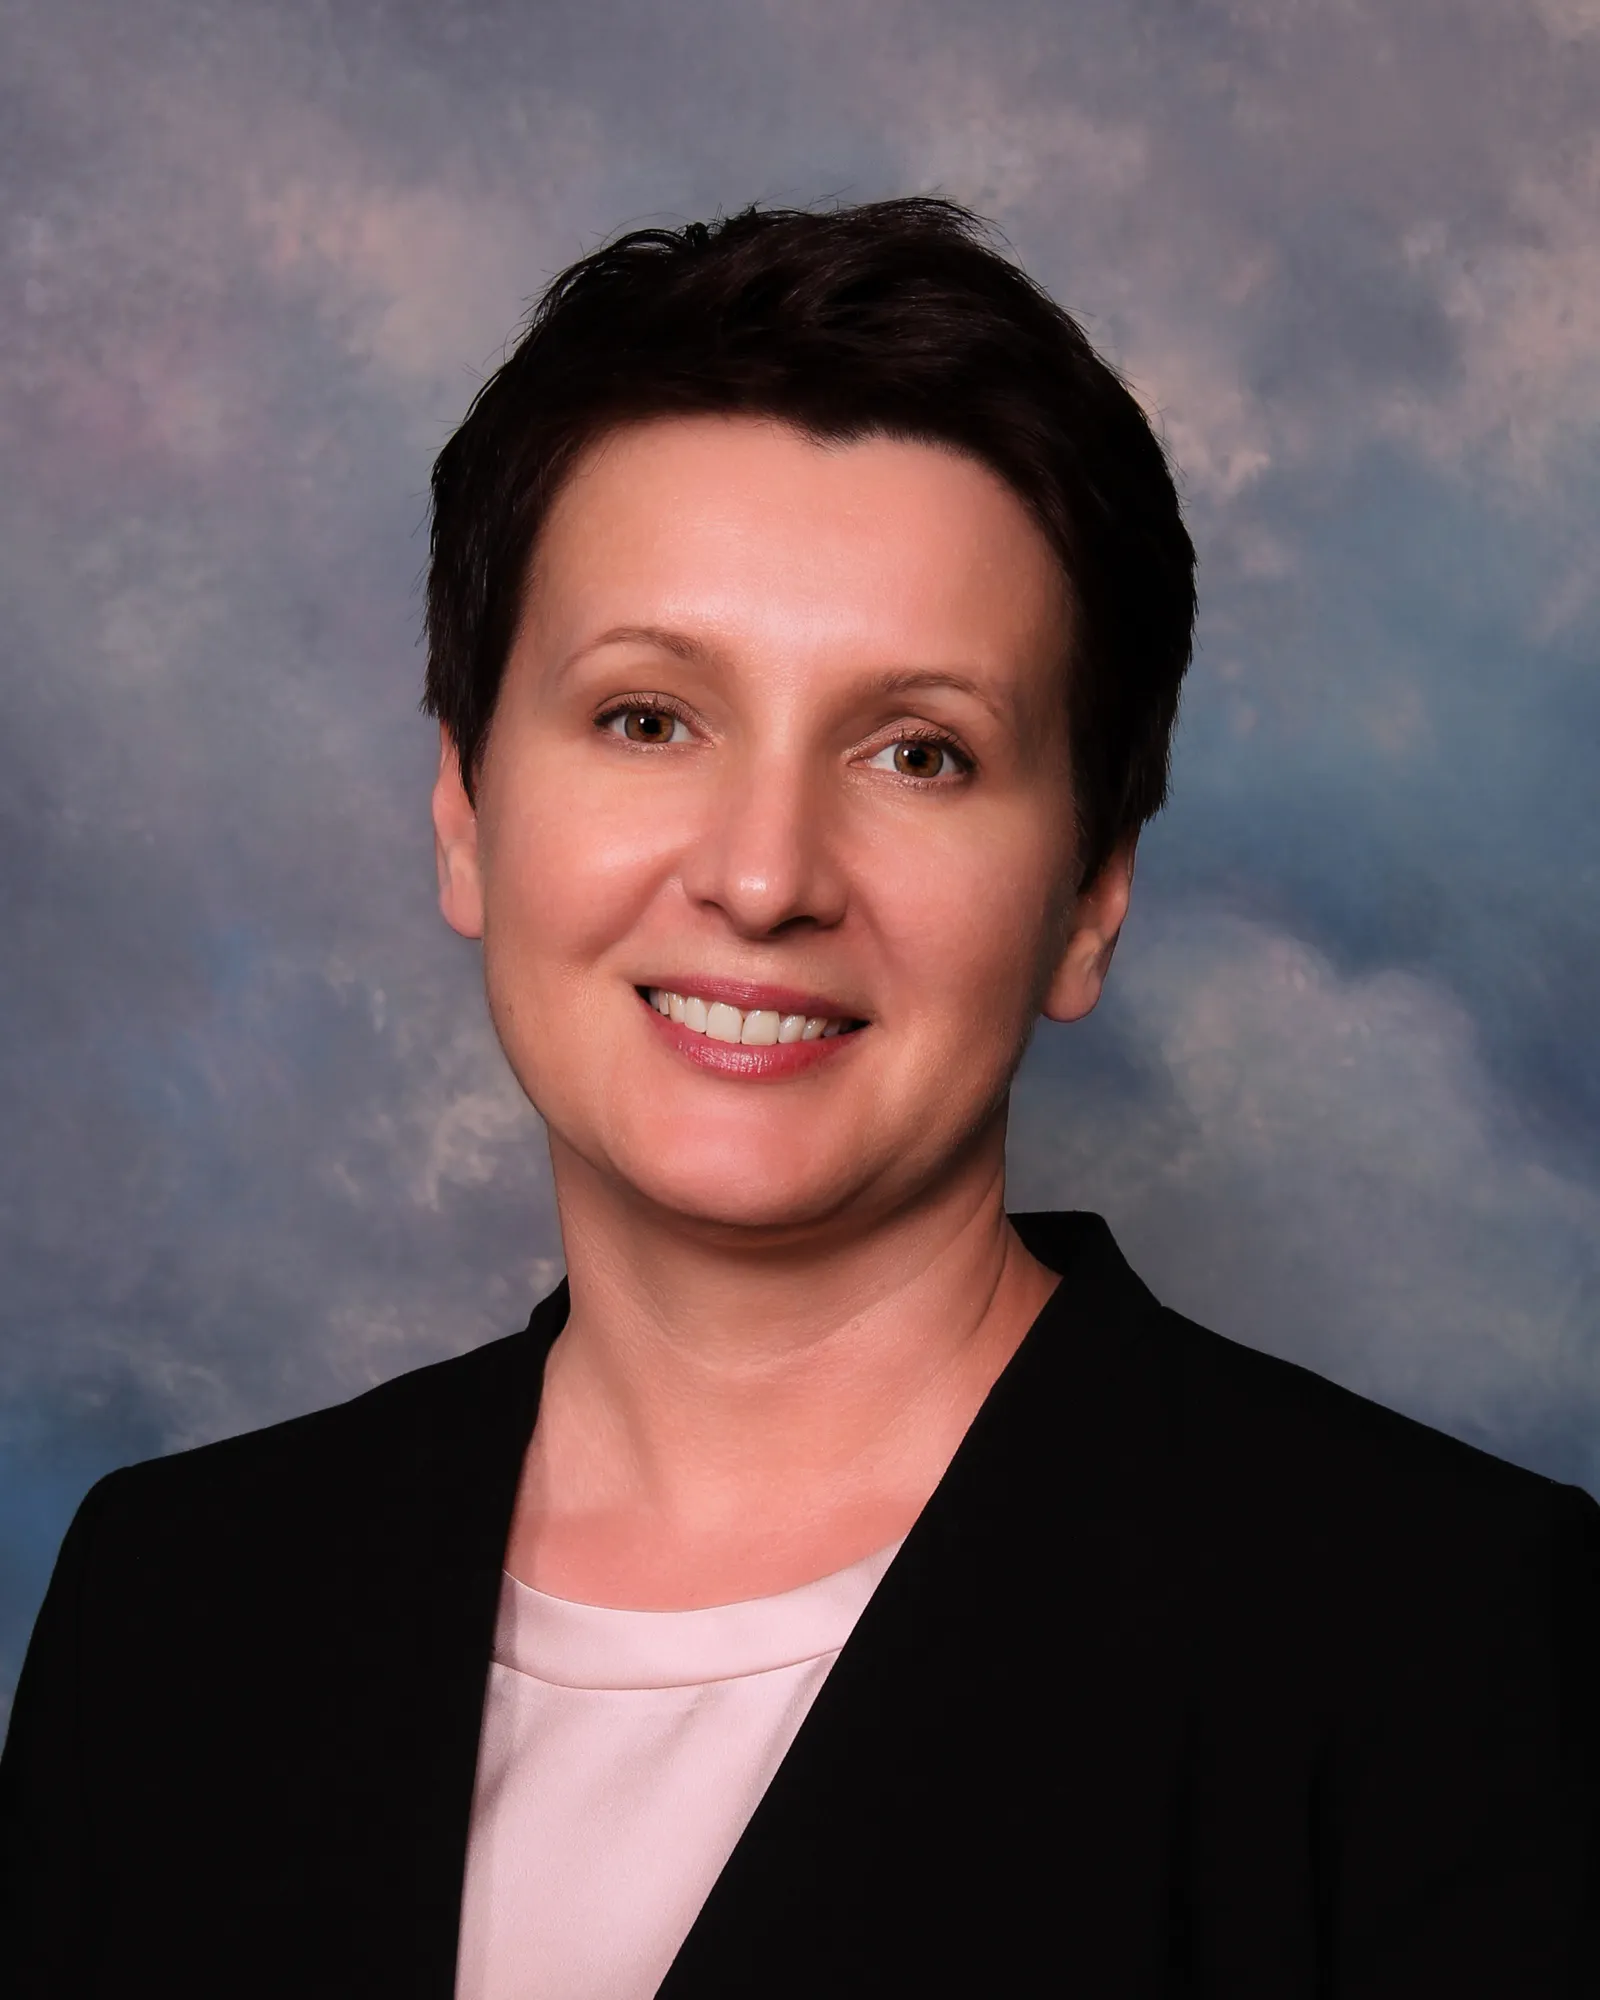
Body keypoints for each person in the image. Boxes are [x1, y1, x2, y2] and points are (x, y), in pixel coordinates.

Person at [0, 196, 1594, 1998]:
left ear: (1089, 898)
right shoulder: (176, 1608)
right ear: (463, 808)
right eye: (647, 719)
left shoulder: (1441, 1638)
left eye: (920, 752)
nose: (764, 877)